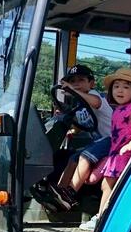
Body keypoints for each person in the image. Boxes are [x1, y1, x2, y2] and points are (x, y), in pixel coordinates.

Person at [31, 64, 112, 211]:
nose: (76, 84)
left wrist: (72, 90)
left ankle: (71, 193)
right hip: (99, 142)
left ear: (91, 83)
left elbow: (95, 103)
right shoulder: (80, 106)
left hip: (113, 140)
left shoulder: (95, 96)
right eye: (72, 81)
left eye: (81, 80)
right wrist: (72, 131)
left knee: (85, 157)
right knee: (73, 158)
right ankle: (60, 193)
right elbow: (83, 124)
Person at [78, 68, 131, 231]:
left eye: (126, 87)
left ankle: (102, 218)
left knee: (108, 185)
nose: (120, 90)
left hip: (125, 154)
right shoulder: (117, 110)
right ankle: (104, 216)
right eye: (116, 86)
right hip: (115, 153)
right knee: (106, 185)